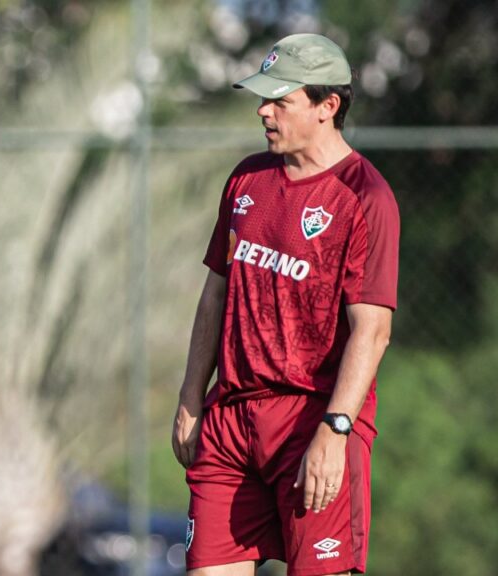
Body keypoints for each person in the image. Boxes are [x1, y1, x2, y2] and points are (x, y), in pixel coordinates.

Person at [171, 34, 399, 576]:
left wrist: (335, 430)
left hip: (311, 420)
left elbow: (371, 332)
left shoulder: (364, 197)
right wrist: (189, 395)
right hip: (231, 420)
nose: (263, 111)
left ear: (327, 107)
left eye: (280, 100)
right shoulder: (247, 178)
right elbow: (215, 295)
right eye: (262, 98)